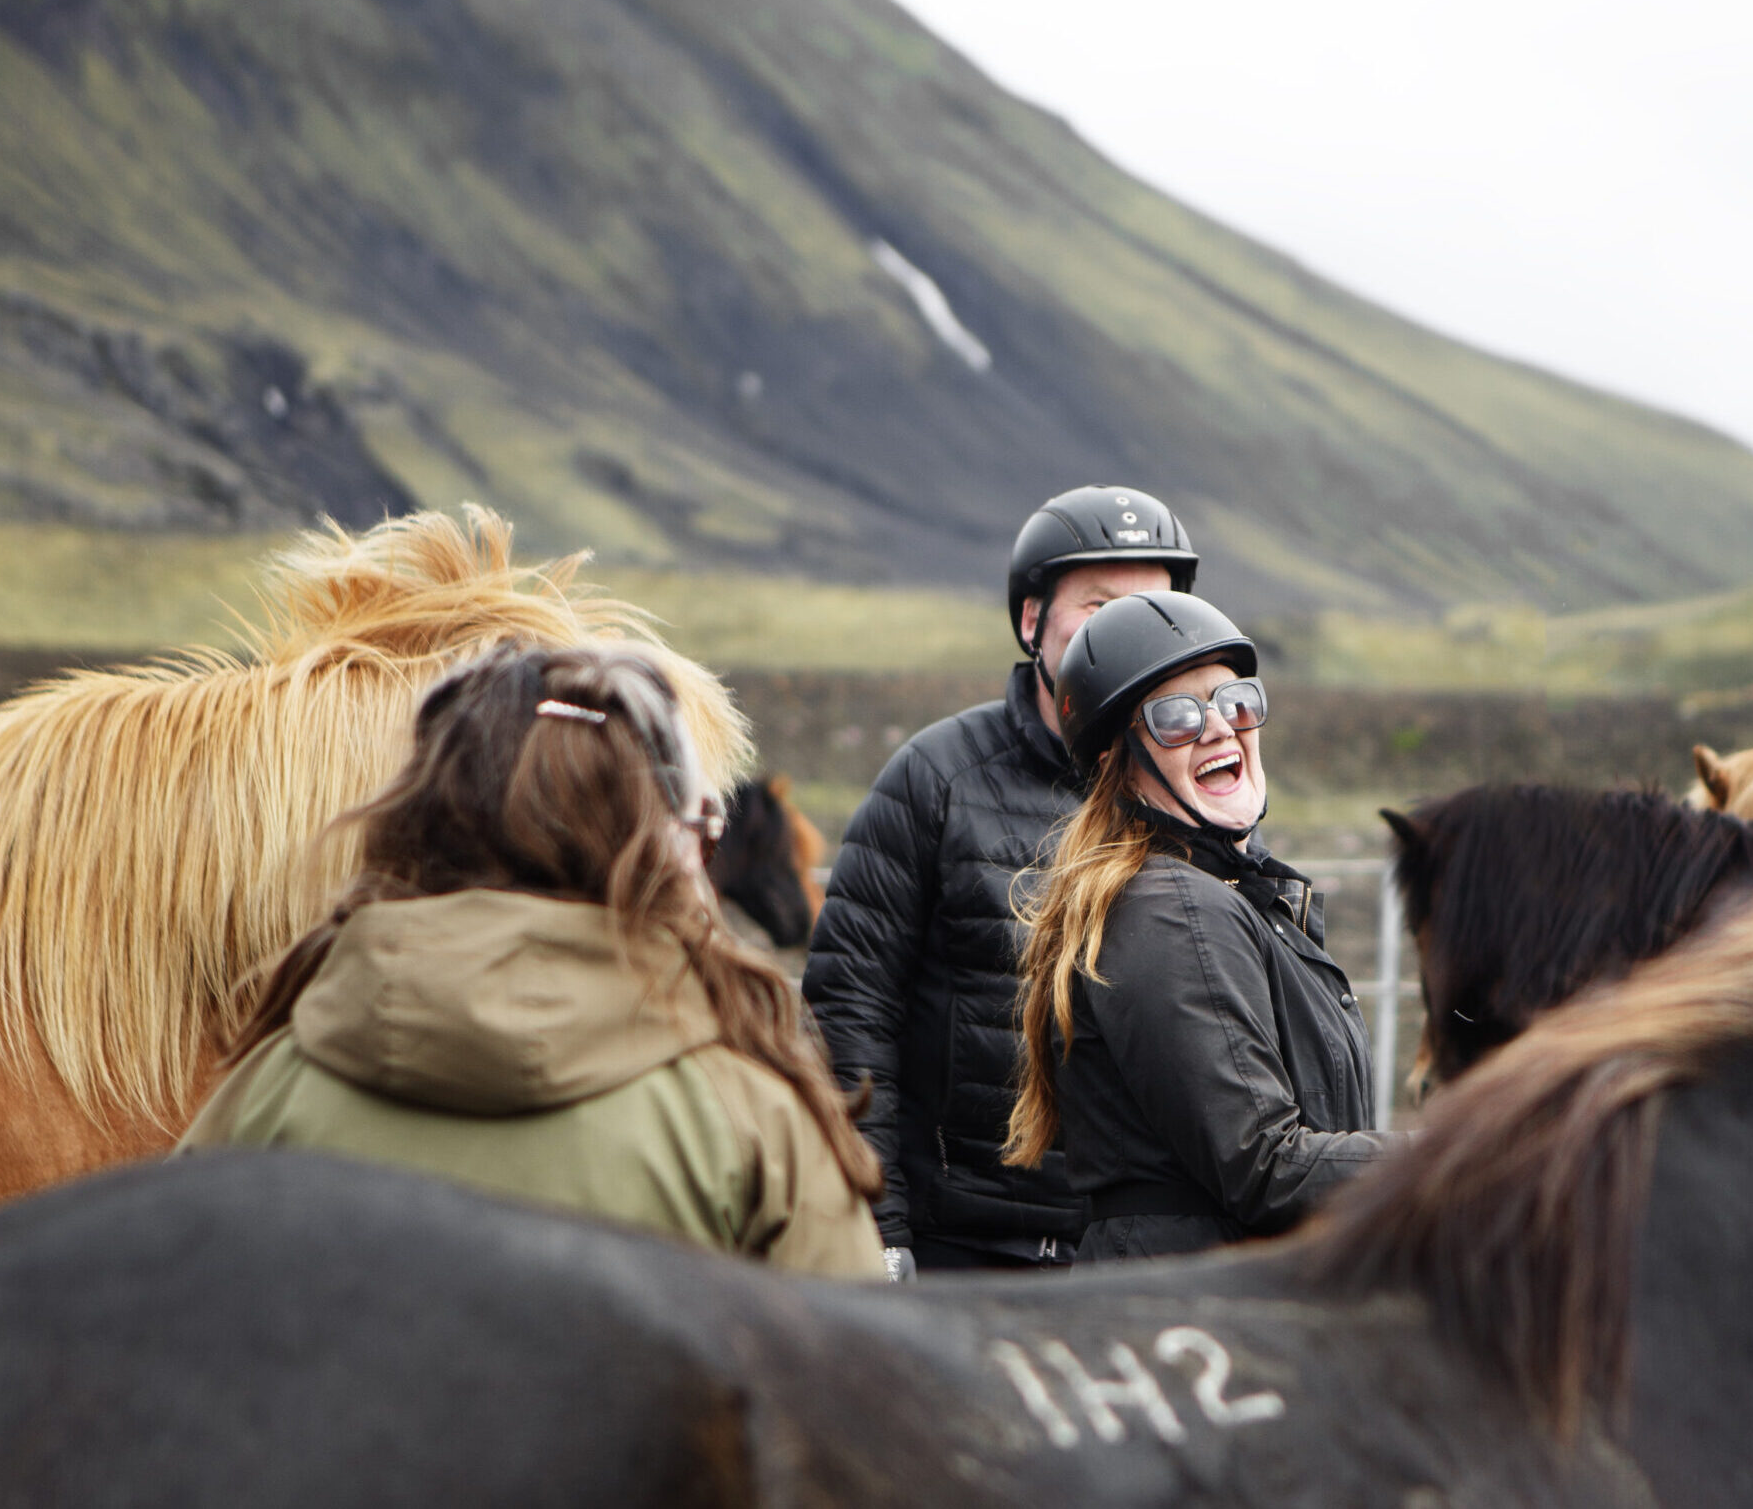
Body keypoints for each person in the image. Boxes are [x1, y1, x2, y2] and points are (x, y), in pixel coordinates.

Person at [180, 641, 886, 1278]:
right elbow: (854, 1392)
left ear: (415, 824)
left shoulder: (263, 1094)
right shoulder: (757, 1123)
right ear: (659, 851)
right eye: (702, 835)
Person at [805, 485, 1200, 1278]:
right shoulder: (934, 778)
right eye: (1096, 606)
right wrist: (879, 1229)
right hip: (962, 1248)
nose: (1125, 635)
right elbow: (851, 1008)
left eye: (1152, 612)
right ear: (1031, 620)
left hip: (1135, 1259)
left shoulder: (1197, 791)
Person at [1004, 590, 1388, 1261]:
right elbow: (1262, 1164)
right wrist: (1465, 1154)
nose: (1218, 727)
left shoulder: (1234, 895)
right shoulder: (1171, 909)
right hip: (1192, 1313)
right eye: (1175, 716)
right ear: (1116, 760)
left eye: (1235, 700)